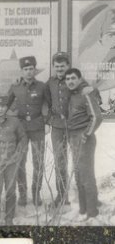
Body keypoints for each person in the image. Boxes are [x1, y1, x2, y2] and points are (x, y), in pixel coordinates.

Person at [8, 56, 49, 206]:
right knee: (20, 162)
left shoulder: (42, 86)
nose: (28, 72)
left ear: (35, 69)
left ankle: (36, 193)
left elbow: (50, 105)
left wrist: (47, 122)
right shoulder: (15, 86)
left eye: (31, 68)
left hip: (37, 127)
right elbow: (5, 104)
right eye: (25, 69)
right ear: (21, 71)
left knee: (38, 162)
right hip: (21, 129)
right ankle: (23, 194)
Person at [0, 93, 28, 225]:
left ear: (6, 107)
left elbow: (23, 138)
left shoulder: (14, 122)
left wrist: (18, 154)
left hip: (11, 162)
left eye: (3, 106)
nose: (0, 109)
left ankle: (9, 218)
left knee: (10, 190)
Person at [65, 68, 102, 221]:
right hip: (73, 138)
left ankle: (92, 213)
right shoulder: (73, 94)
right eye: (67, 79)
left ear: (80, 79)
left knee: (86, 176)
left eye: (73, 78)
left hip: (83, 138)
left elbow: (96, 117)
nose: (70, 81)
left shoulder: (86, 93)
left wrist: (86, 134)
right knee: (79, 175)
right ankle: (82, 210)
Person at [45, 52, 71, 207]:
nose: (60, 69)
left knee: (80, 161)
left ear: (68, 66)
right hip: (57, 128)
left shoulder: (75, 79)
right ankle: (61, 196)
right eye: (57, 66)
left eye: (62, 66)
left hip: (74, 126)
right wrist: (48, 121)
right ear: (53, 67)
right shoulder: (50, 82)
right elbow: (48, 103)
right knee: (59, 162)